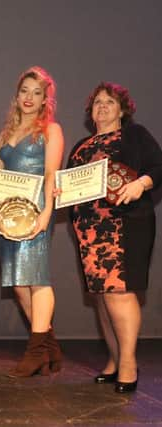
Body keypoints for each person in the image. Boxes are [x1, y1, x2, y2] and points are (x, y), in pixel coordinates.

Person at [66, 82, 162, 393]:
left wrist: (141, 184)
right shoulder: (81, 145)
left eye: (109, 102)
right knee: (101, 296)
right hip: (90, 230)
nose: (102, 107)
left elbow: (159, 166)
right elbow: (69, 186)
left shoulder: (134, 135)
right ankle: (115, 358)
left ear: (122, 109)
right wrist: (61, 192)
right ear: (90, 112)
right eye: (97, 103)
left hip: (125, 225)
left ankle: (129, 364)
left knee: (119, 292)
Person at [0, 66, 64, 377]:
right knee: (19, 283)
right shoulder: (6, 132)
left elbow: (51, 174)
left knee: (38, 278)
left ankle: (35, 352)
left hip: (36, 209)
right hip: (7, 215)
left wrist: (47, 212)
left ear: (45, 99)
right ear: (17, 94)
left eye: (37, 92)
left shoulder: (52, 130)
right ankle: (50, 348)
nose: (29, 97)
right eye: (25, 90)